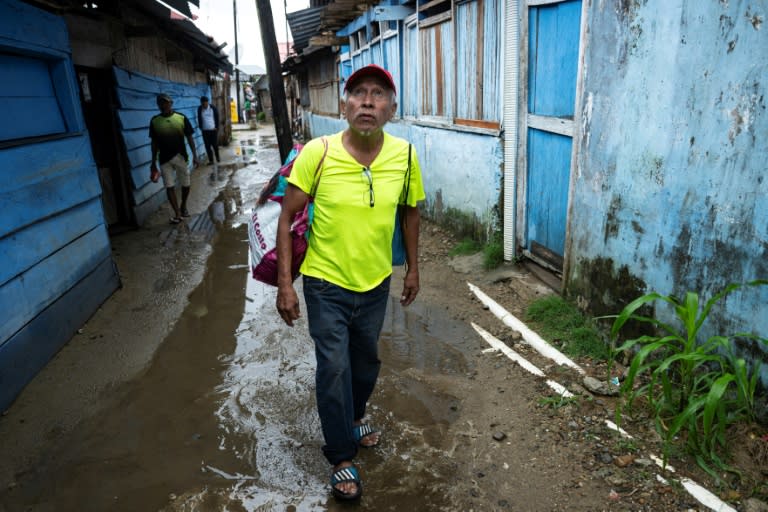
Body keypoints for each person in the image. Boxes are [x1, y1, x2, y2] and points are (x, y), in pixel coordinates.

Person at [275, 64, 425, 501]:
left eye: (378, 94)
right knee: (334, 367)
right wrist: (287, 285)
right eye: (358, 93)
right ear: (344, 105)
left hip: (375, 283)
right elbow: (287, 218)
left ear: (391, 109)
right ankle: (341, 456)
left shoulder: (406, 156)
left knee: (365, 364)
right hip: (325, 284)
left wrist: (413, 268)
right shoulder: (317, 153)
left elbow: (410, 212)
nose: (367, 101)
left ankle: (356, 416)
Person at [149, 93, 198, 223]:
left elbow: (190, 138)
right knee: (169, 186)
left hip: (181, 157)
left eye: (165, 102)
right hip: (164, 159)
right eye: (160, 103)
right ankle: (177, 213)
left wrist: (195, 156)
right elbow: (154, 143)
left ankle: (183, 206)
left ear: (171, 103)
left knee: (186, 184)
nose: (163, 105)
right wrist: (153, 162)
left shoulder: (181, 118)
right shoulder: (155, 121)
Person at [197, 96, 220, 166]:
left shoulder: (213, 108)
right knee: (207, 146)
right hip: (205, 131)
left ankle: (217, 157)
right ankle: (211, 160)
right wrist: (200, 126)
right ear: (201, 103)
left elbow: (217, 117)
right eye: (203, 103)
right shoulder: (200, 109)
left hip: (213, 130)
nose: (204, 105)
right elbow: (199, 117)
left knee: (215, 145)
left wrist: (217, 127)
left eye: (205, 103)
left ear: (207, 102)